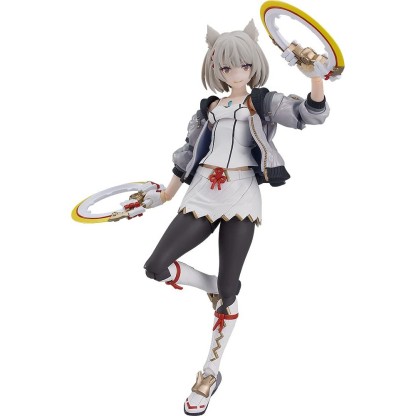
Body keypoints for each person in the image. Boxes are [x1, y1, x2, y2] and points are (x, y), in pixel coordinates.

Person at [141, 20, 329, 415]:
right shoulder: (208, 109)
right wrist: (165, 194)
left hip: (243, 194)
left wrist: (316, 77)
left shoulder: (264, 101)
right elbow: (188, 154)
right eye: (226, 67)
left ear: (254, 63)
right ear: (216, 68)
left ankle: (209, 373)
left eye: (242, 64)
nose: (235, 73)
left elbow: (309, 114)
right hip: (202, 192)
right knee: (156, 266)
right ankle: (214, 286)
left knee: (230, 290)